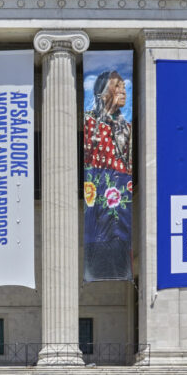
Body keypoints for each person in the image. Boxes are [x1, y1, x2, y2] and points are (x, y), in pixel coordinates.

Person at [83, 69, 132, 281]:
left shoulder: (127, 127)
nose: (123, 90)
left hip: (121, 202)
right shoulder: (90, 124)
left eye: (124, 86)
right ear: (103, 93)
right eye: (117, 86)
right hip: (99, 196)